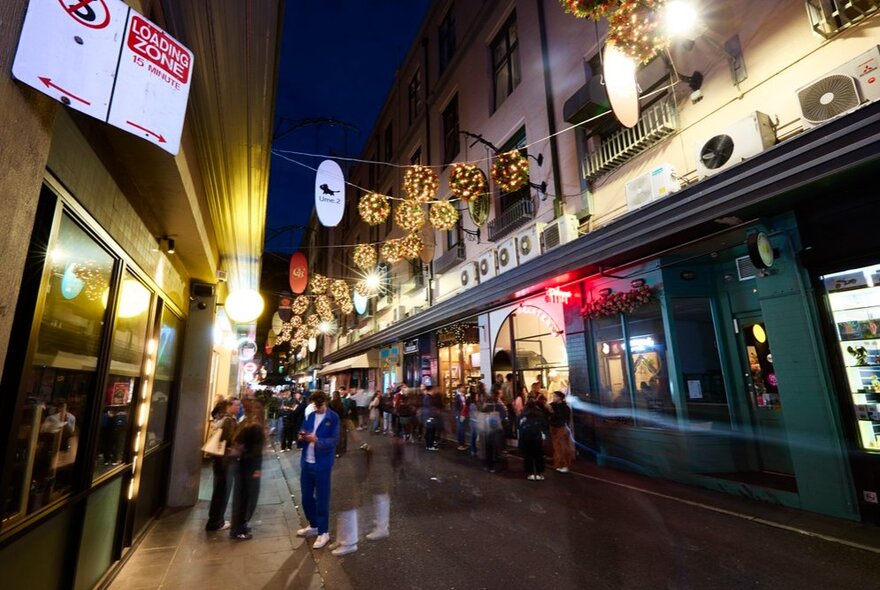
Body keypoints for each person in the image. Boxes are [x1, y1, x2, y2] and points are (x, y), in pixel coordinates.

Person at [296, 391, 340, 549]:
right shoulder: (311, 416)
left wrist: (317, 440)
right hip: (306, 462)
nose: (318, 408)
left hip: (322, 464)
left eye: (320, 405)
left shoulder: (333, 418)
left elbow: (334, 440)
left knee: (322, 498)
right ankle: (314, 524)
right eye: (315, 405)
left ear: (325, 403)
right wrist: (301, 437)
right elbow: (302, 429)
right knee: (306, 497)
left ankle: (323, 531)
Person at [229, 399, 265, 540]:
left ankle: (239, 526)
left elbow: (238, 443)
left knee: (241, 497)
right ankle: (239, 529)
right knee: (247, 498)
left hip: (242, 465)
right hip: (249, 466)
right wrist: (256, 469)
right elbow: (255, 451)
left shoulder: (245, 424)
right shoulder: (255, 427)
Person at [206, 398, 239, 532]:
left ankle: (215, 519)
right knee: (222, 491)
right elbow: (230, 440)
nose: (238, 408)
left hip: (219, 459)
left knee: (219, 490)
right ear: (229, 406)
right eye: (236, 405)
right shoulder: (229, 421)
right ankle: (216, 522)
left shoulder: (221, 419)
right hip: (225, 460)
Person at [479, 386, 507, 473]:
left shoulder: (487, 403)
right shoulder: (497, 403)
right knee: (496, 446)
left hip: (487, 427)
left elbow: (482, 412)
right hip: (495, 427)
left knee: (488, 447)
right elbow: (503, 415)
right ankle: (494, 465)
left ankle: (488, 465)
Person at [518, 401, 549, 480]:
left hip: (526, 437)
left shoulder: (523, 414)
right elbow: (545, 425)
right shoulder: (540, 413)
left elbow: (518, 425)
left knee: (528, 455)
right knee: (538, 455)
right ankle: (539, 473)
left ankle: (531, 473)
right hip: (537, 437)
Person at [548, 391, 574, 473]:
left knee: (563, 447)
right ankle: (559, 464)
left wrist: (551, 412)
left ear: (559, 397)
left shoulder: (564, 408)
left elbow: (561, 417)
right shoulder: (554, 406)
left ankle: (564, 464)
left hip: (561, 428)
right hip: (555, 427)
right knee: (557, 447)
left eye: (555, 396)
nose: (553, 398)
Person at [330, 391, 347, 457]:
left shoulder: (330, 403)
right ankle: (338, 451)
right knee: (339, 436)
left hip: (332, 421)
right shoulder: (341, 404)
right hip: (339, 421)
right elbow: (343, 413)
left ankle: (333, 451)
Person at [453, 382, 469, 451]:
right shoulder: (457, 396)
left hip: (463, 414)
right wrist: (458, 415)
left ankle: (462, 443)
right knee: (460, 429)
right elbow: (455, 407)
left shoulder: (464, 395)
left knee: (462, 429)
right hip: (459, 414)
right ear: (459, 389)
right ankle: (460, 444)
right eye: (462, 388)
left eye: (464, 388)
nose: (464, 389)